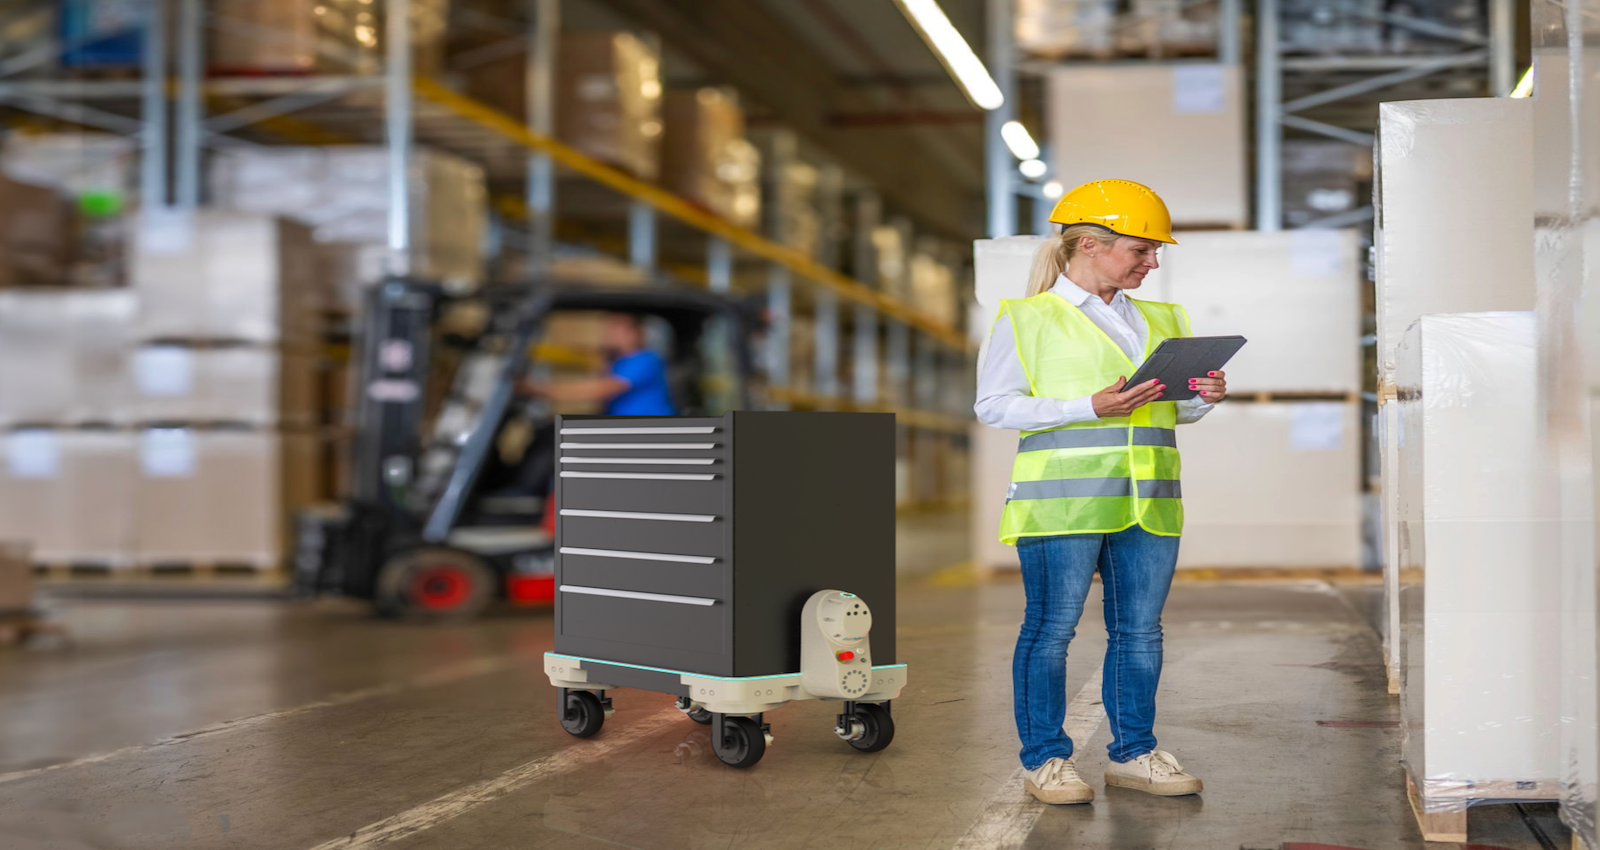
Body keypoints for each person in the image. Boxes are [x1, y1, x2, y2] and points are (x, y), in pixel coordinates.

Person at [974, 179, 1228, 806]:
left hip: (1148, 501)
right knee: (1052, 629)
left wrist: (1201, 399)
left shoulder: (1164, 321)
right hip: (1064, 501)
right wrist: (1091, 406)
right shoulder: (1027, 318)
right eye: (1141, 251)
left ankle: (1134, 753)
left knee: (1140, 631)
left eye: (1153, 252)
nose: (1153, 263)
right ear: (1089, 244)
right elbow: (993, 407)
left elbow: (1168, 414)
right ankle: (1044, 759)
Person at [522, 312, 677, 416]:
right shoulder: (617, 362)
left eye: (617, 327)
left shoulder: (646, 360)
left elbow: (599, 389)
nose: (609, 333)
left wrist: (544, 391)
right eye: (610, 327)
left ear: (635, 333)